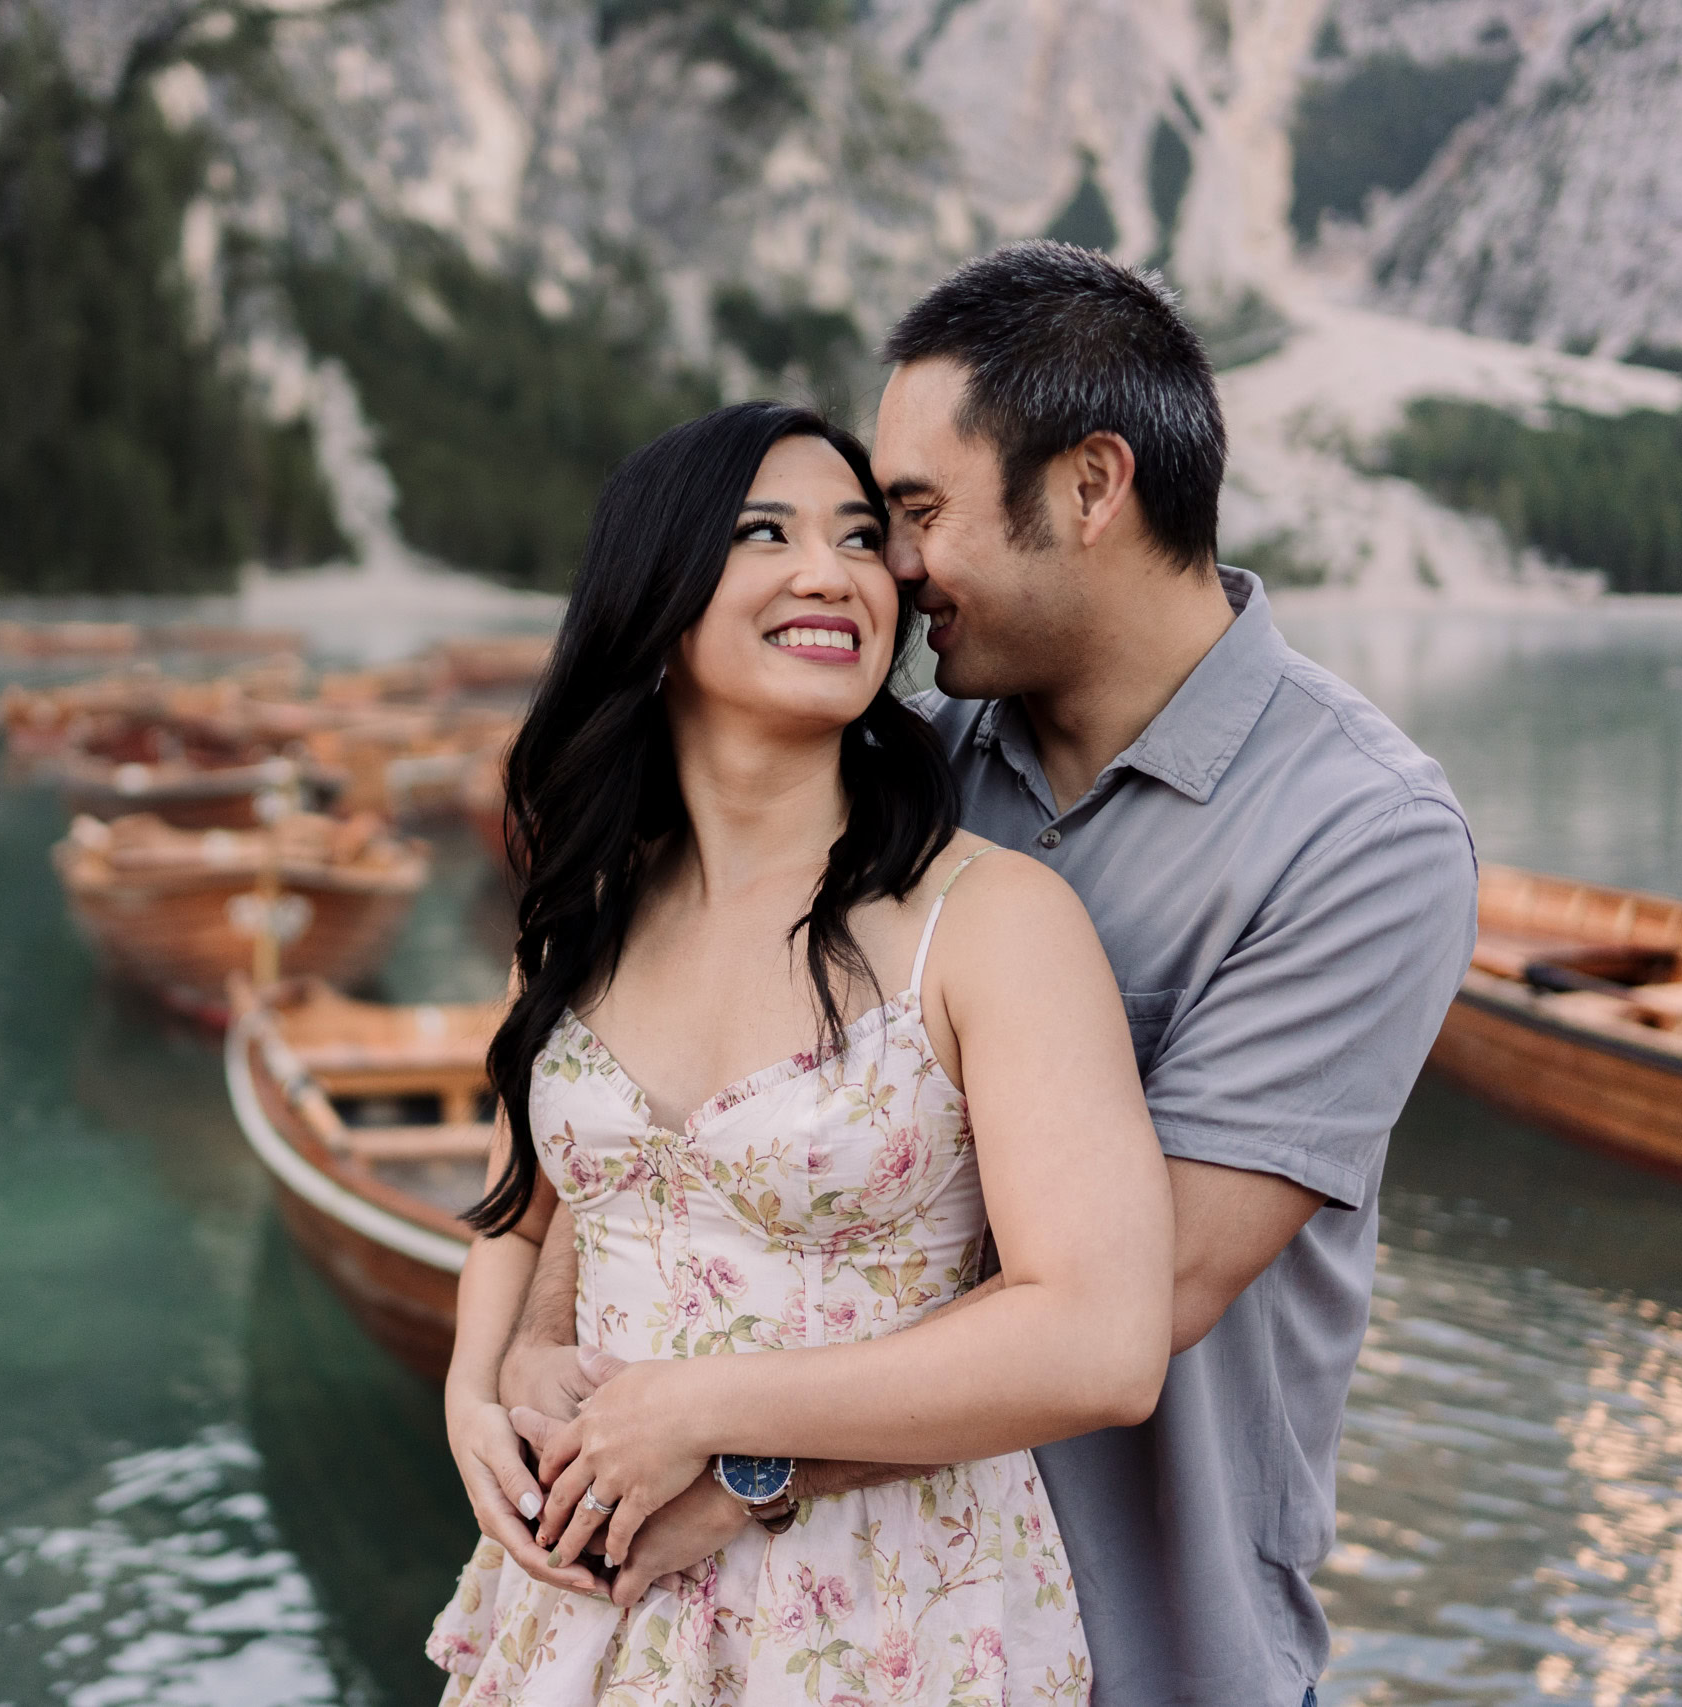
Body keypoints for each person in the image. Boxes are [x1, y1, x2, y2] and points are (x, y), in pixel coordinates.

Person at [491, 243, 1481, 1706]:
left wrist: (730, 1463)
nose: (884, 565)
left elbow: (1138, 1299)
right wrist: (515, 1348)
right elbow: (643, 1118)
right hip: (755, 1626)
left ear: (1090, 488)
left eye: (915, 512)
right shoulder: (905, 774)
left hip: (1147, 1635)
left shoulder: (1362, 838)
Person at [431, 399, 1178, 1705]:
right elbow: (527, 1203)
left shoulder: (993, 923)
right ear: (655, 595)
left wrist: (707, 1416)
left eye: (857, 535)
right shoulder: (584, 903)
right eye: (763, 533)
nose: (830, 570)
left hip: (885, 1608)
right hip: (580, 1609)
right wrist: (474, 1386)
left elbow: (1104, 1340)